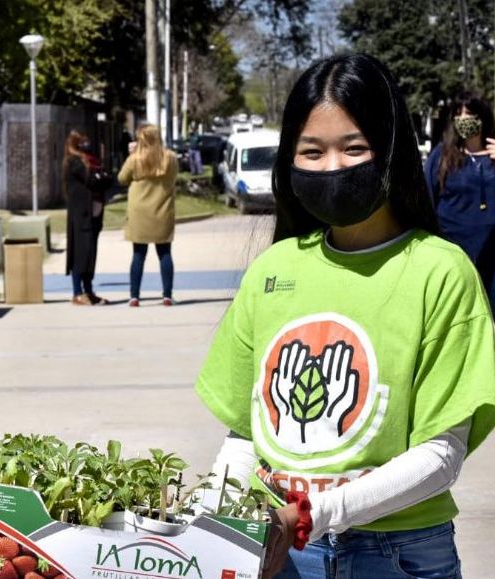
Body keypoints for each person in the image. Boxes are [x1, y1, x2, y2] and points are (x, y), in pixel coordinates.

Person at [196, 53, 495, 579]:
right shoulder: (272, 270)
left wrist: (310, 516)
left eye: (354, 148)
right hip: (278, 551)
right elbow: (245, 437)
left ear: (391, 149)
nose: (332, 167)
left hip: (397, 555)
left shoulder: (441, 271)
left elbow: (441, 454)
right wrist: (209, 520)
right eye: (311, 151)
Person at [424, 92, 495, 309]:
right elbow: (426, 199)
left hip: (491, 254)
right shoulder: (442, 155)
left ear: (482, 116)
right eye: (458, 113)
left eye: (470, 113)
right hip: (453, 249)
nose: (464, 118)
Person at [117, 124, 178, 306]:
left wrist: (131, 155)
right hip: (162, 209)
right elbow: (174, 177)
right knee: (165, 252)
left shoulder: (135, 159)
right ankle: (167, 295)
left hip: (139, 212)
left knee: (138, 254)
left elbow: (122, 178)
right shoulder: (170, 158)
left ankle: (134, 296)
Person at [63, 129, 109, 305]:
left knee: (90, 253)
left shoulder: (90, 159)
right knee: (80, 253)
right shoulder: (74, 161)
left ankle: (89, 291)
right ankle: (78, 292)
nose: (86, 144)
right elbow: (92, 180)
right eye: (82, 141)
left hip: (93, 212)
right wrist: (102, 177)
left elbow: (105, 179)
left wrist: (103, 176)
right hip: (81, 214)